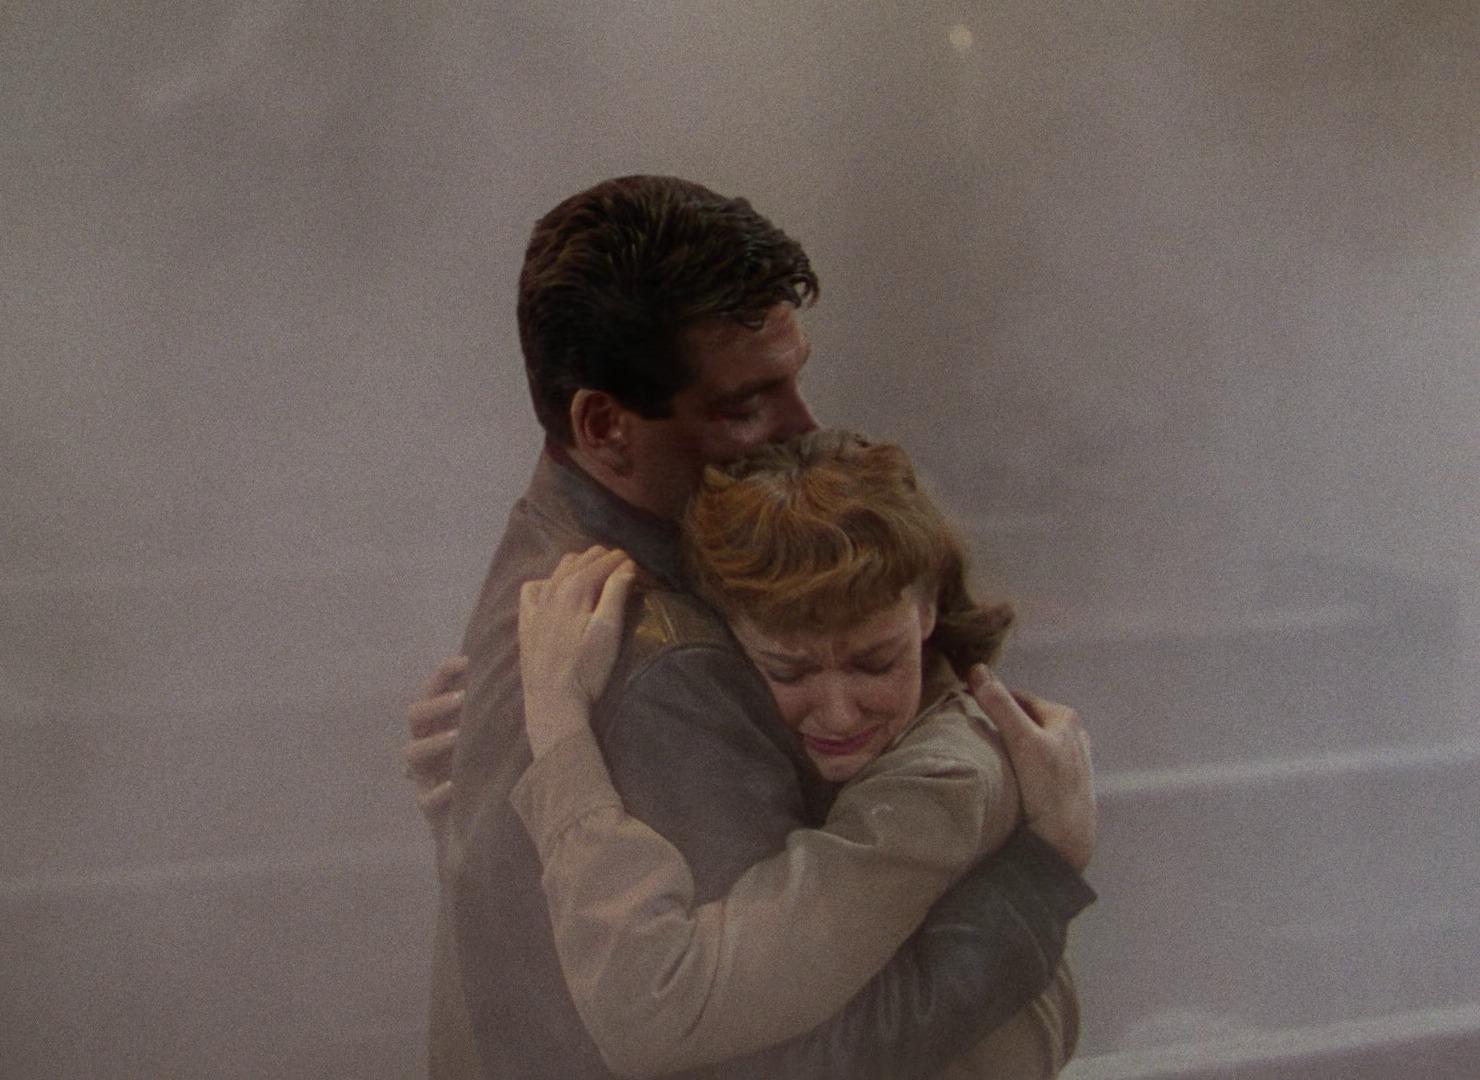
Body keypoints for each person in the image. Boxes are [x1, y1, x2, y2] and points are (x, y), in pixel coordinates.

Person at [419, 174, 1097, 1079]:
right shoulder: (662, 661)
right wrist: (1042, 873)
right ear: (604, 423)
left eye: (794, 380)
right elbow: (788, 1060)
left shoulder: (553, 542)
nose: (803, 425)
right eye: (745, 405)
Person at [512, 430, 1081, 1078]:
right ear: (726, 629)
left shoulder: (944, 779)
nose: (838, 713)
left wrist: (556, 723)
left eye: (876, 662)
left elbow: (653, 1011)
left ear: (926, 609)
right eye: (789, 670)